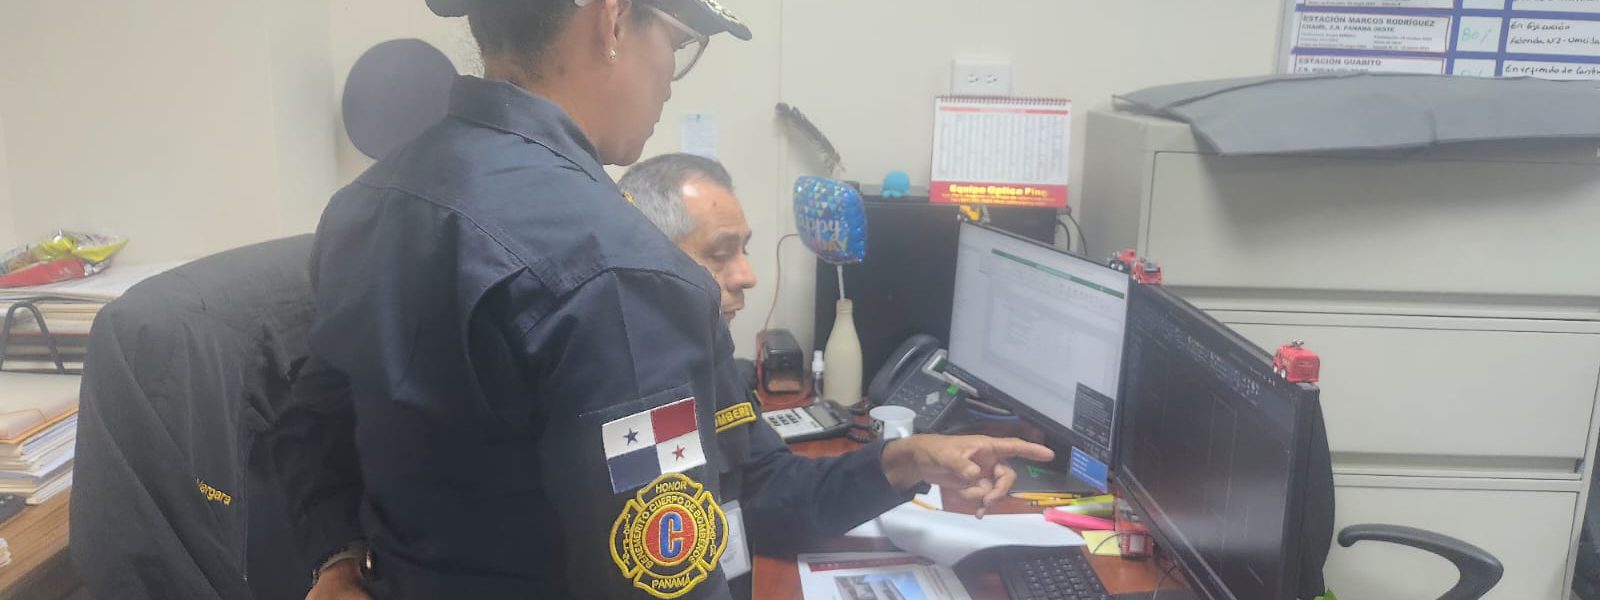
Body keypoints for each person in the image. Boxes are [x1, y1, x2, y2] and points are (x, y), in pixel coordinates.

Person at [268, 2, 1053, 598]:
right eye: (676, 43)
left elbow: (309, 422)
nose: (671, 77)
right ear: (613, 21)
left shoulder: (367, 205)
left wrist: (335, 561)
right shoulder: (621, 272)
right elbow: (657, 570)